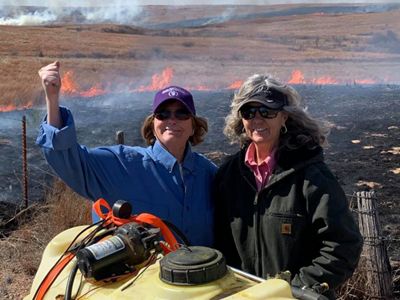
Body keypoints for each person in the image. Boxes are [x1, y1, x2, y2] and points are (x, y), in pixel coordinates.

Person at [213, 74, 363, 299]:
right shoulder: (229, 175)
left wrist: (298, 288)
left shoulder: (310, 175)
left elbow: (344, 243)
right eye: (249, 112)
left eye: (267, 111)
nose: (257, 119)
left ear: (284, 117)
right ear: (240, 120)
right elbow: (220, 241)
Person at [36, 61, 217, 246]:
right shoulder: (123, 164)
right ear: (152, 125)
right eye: (163, 114)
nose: (172, 120)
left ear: (194, 126)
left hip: (205, 272)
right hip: (143, 274)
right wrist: (52, 99)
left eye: (182, 114)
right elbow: (68, 159)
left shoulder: (209, 173)